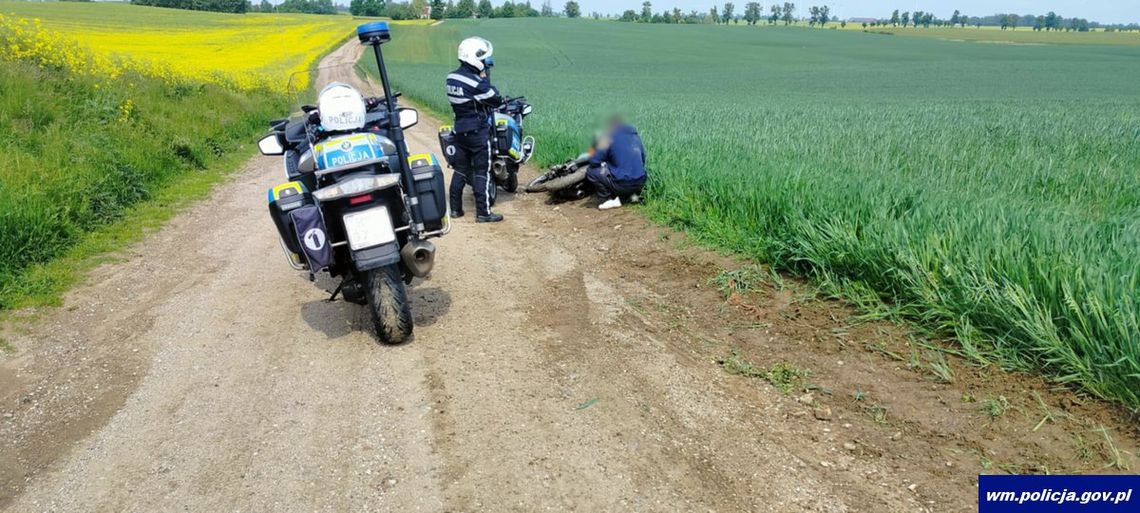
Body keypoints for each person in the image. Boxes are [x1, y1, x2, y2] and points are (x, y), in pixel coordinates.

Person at [445, 37, 504, 223]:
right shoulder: (476, 83)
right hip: (478, 132)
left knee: (460, 169)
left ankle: (455, 209)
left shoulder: (451, 78)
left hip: (460, 130)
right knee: (481, 172)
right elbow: (496, 99)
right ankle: (483, 213)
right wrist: (484, 78)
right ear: (474, 57)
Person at [586, 118, 647, 210]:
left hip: (622, 184)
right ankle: (630, 197)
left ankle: (606, 199)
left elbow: (594, 161)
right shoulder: (635, 136)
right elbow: (643, 159)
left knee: (591, 172)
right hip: (640, 183)